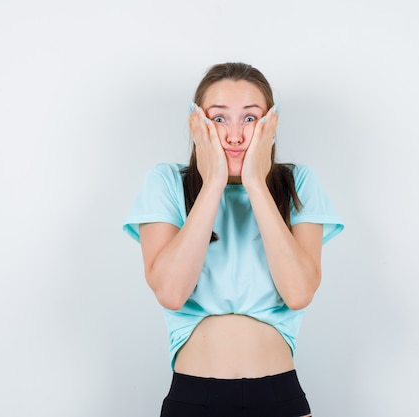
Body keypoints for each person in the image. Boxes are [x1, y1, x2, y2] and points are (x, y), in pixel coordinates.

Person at [123, 62, 344, 417]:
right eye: (219, 119)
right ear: (198, 124)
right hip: (194, 395)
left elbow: (299, 293)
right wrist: (213, 182)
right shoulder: (166, 182)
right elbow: (171, 291)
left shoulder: (297, 183)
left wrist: (257, 183)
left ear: (270, 124)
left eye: (250, 118)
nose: (235, 136)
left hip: (278, 394)